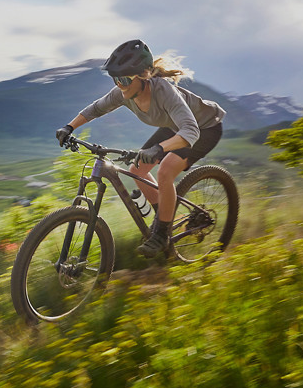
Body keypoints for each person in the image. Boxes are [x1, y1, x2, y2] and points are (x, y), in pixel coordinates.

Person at [55, 39, 226, 258]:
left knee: (165, 171)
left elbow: (190, 132)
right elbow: (96, 109)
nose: (120, 84)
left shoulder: (164, 92)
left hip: (204, 127)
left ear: (144, 76)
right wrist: (69, 126)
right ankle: (162, 218)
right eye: (115, 78)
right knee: (137, 169)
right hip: (174, 127)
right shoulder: (123, 93)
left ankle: (162, 234)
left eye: (125, 78)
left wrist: (159, 148)